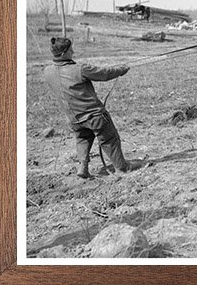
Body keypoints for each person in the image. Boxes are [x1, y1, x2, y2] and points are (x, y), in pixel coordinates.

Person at [43, 36, 132, 179]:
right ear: (64, 53)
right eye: (71, 49)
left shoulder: (47, 71)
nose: (73, 51)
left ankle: (83, 168)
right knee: (110, 140)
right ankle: (122, 168)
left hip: (74, 119)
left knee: (83, 138)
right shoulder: (80, 69)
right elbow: (104, 74)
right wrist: (121, 69)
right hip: (94, 116)